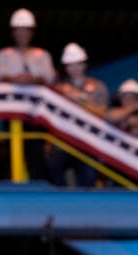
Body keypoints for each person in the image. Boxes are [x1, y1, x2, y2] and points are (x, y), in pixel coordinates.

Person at [0, 8, 55, 181]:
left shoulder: (42, 55)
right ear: (13, 32)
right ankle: (8, 193)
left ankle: (39, 194)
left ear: (31, 32)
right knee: (10, 153)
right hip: (11, 113)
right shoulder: (4, 55)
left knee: (36, 153)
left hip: (36, 114)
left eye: (26, 30)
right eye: (19, 30)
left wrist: (31, 79)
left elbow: (48, 78)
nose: (22, 34)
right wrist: (15, 79)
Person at [47, 42, 109, 187]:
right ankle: (60, 204)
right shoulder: (59, 88)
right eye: (70, 65)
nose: (74, 68)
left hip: (89, 141)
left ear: (84, 64)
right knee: (53, 166)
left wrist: (80, 99)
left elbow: (103, 113)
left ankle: (87, 207)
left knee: (88, 177)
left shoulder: (98, 87)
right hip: (65, 140)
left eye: (77, 64)